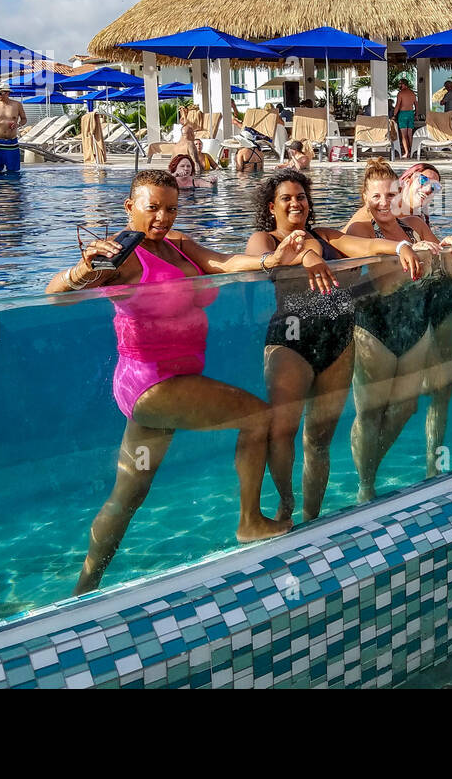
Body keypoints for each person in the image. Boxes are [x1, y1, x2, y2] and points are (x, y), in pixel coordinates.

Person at [47, 170, 306, 594]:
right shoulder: (121, 257)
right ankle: (249, 521)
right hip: (151, 381)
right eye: (152, 208)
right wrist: (80, 271)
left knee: (128, 495)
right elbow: (55, 295)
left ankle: (83, 588)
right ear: (129, 207)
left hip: (171, 382)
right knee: (258, 418)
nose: (162, 217)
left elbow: (222, 263)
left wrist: (270, 262)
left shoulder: (178, 245)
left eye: (170, 207)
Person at [245, 169, 427, 523]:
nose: (296, 202)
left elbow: (370, 246)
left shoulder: (326, 235)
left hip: (338, 336)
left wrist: (402, 245)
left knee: (319, 439)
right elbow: (268, 260)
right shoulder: (263, 239)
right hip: (291, 338)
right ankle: (285, 505)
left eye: (301, 196)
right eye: (286, 198)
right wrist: (308, 256)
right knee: (284, 430)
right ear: (271, 207)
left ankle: (312, 518)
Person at [342, 159, 452, 501]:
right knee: (370, 411)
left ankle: (370, 464)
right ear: (364, 195)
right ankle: (365, 486)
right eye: (376, 196)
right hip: (374, 326)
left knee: (406, 407)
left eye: (391, 193)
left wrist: (451, 245)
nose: (384, 202)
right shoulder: (361, 229)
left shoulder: (415, 223)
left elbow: (441, 264)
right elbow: (357, 269)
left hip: (414, 322)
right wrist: (405, 251)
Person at [399, 162, 452, 476]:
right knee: (401, 402)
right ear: (405, 180)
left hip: (435, 305)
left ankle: (432, 468)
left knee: (442, 389)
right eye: (424, 180)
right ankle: (365, 485)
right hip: (399, 317)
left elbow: (443, 265)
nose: (429, 189)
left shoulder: (422, 220)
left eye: (436, 186)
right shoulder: (380, 215)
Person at [0, 85, 27, 173]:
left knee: (13, 171)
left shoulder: (17, 105)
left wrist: (18, 125)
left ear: (7, 93)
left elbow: (24, 119)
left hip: (11, 143)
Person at [392, 80, 417, 157]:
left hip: (403, 114)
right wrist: (416, 113)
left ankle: (406, 153)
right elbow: (416, 104)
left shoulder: (400, 93)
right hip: (411, 113)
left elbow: (398, 105)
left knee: (404, 135)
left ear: (404, 84)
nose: (399, 85)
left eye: (400, 84)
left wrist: (394, 115)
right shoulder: (412, 93)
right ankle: (412, 152)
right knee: (410, 134)